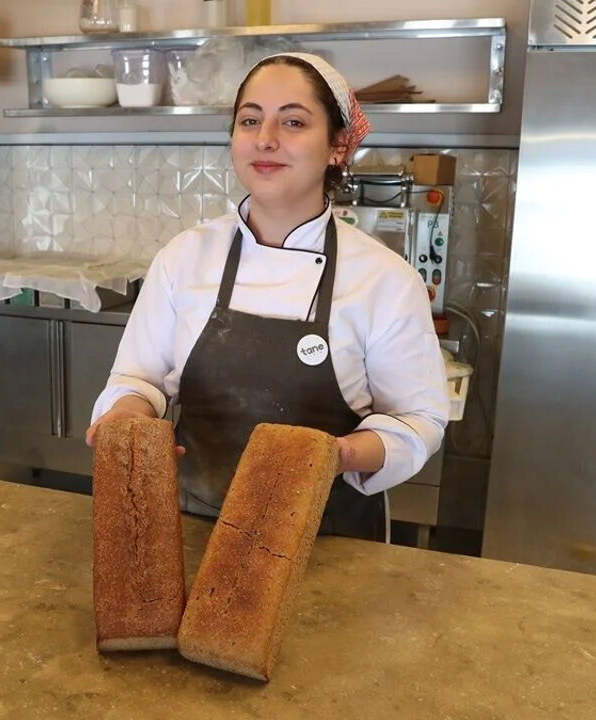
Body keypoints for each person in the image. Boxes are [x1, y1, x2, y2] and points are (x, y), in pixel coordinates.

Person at [86, 53, 449, 541]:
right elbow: (137, 376)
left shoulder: (384, 280)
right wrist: (128, 417)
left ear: (338, 145)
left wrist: (338, 454)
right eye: (250, 120)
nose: (265, 139)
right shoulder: (186, 257)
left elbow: (418, 422)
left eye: (293, 122)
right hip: (192, 531)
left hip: (328, 541)